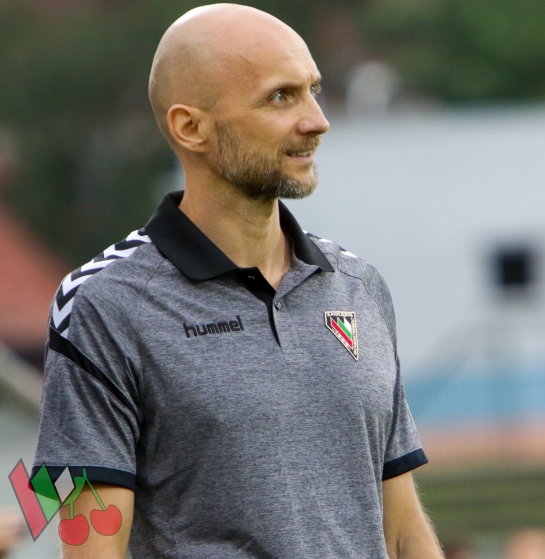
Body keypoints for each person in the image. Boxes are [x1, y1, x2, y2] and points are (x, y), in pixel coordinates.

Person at [33, 4, 443, 558]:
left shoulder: (358, 286)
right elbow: (91, 548)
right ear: (190, 127)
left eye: (313, 91)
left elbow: (401, 531)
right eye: (281, 97)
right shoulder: (104, 305)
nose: (317, 120)